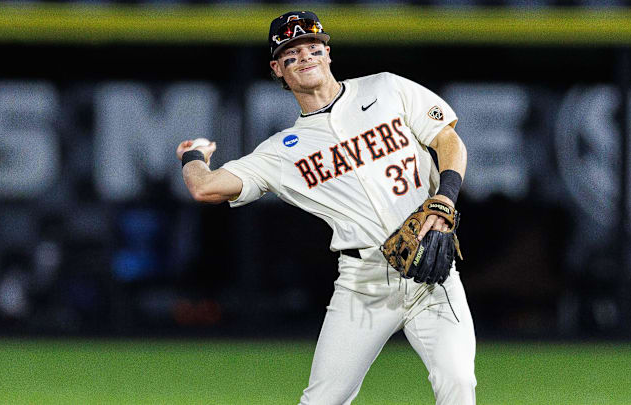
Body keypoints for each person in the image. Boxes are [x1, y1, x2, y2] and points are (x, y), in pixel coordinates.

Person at [176, 11, 476, 405]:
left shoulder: (386, 88)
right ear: (277, 69)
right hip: (363, 283)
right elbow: (204, 187)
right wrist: (192, 155)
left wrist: (445, 196)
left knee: (458, 383)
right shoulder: (282, 151)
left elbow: (448, 141)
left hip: (432, 277)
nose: (305, 57)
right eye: (291, 53)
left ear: (328, 53)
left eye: (312, 47)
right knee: (321, 401)